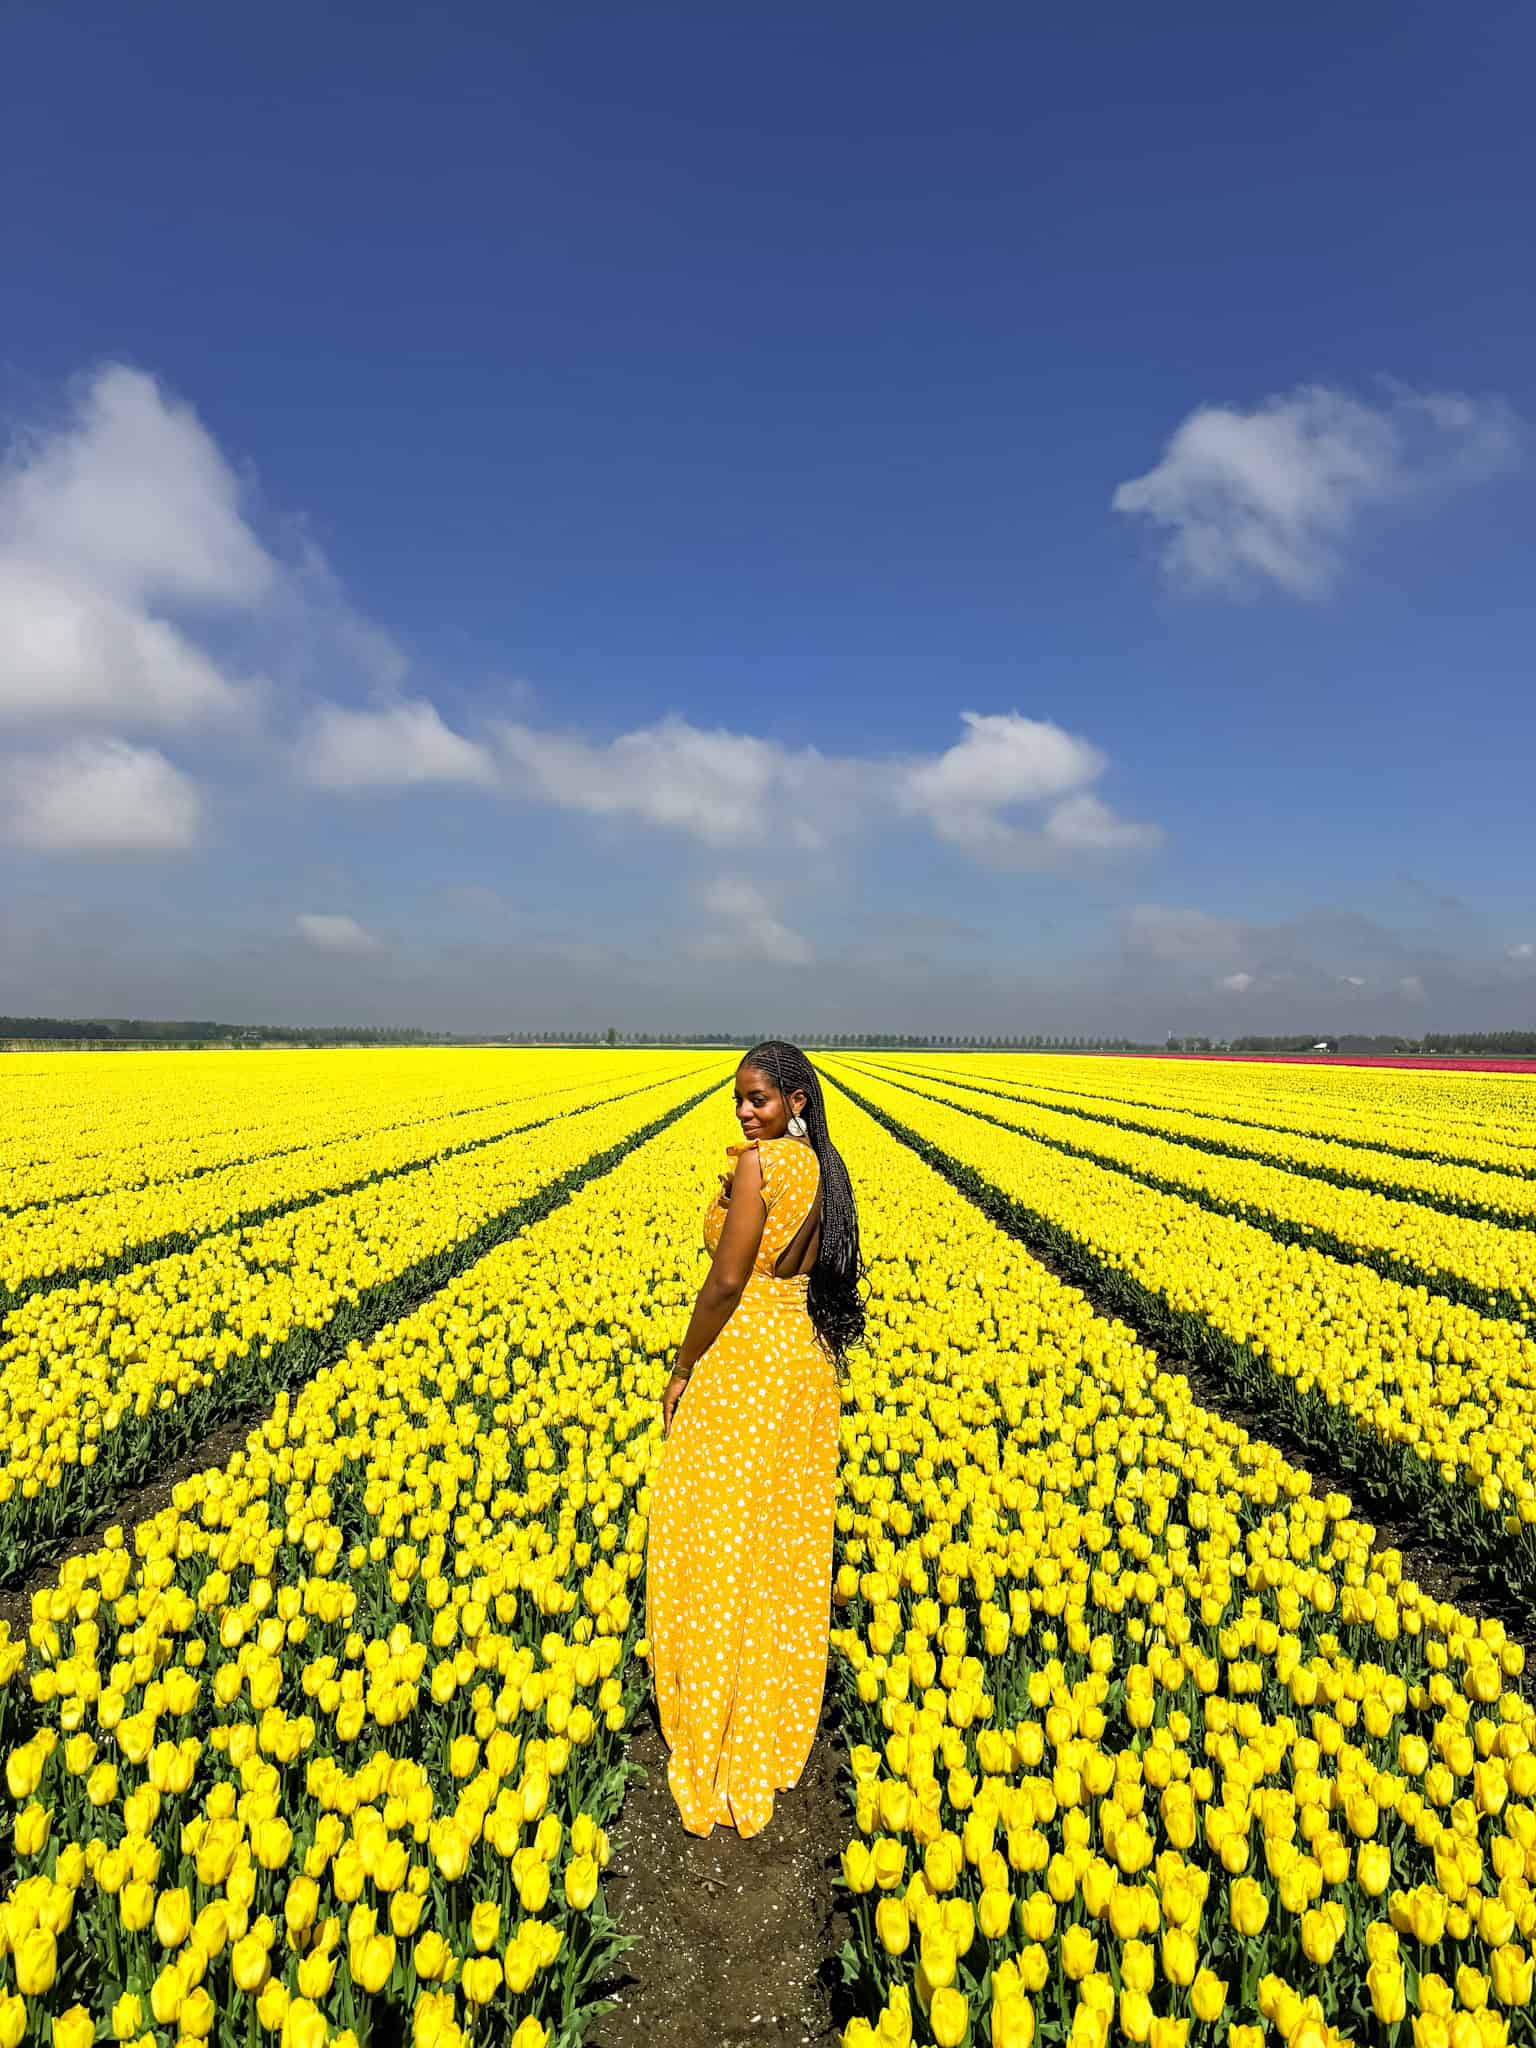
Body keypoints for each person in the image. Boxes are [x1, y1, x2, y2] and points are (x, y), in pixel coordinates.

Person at [644, 1039, 865, 1838]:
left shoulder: (758, 1169)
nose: (745, 1110)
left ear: (795, 1102)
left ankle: (713, 1710)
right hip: (802, 1365)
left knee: (713, 1537)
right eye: (739, 1097)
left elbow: (729, 1279)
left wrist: (681, 1366)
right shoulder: (824, 1171)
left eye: (760, 1099)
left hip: (743, 1362)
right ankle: (768, 1704)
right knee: (779, 1544)